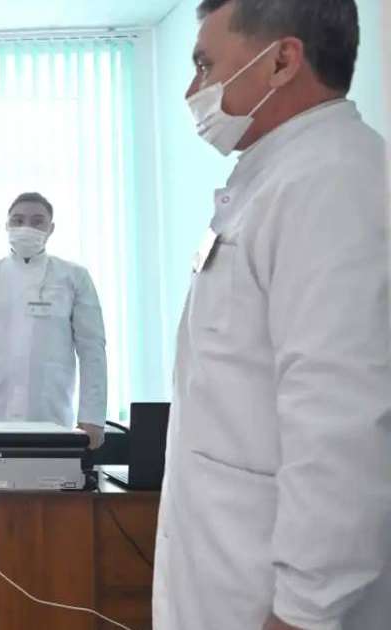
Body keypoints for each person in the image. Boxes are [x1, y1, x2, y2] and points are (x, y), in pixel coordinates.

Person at [155, 2, 391, 629]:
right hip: (229, 574)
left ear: (282, 60)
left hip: (280, 604)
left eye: (205, 65)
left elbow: (341, 423)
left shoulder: (333, 182)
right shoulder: (272, 179)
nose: (193, 90)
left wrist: (305, 611)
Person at [0, 192, 108, 449]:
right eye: (18, 220)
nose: (26, 228)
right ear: (6, 225)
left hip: (51, 411)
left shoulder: (74, 277)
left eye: (37, 221)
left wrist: (92, 418)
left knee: (49, 472)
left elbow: (92, 349)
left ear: (51, 228)